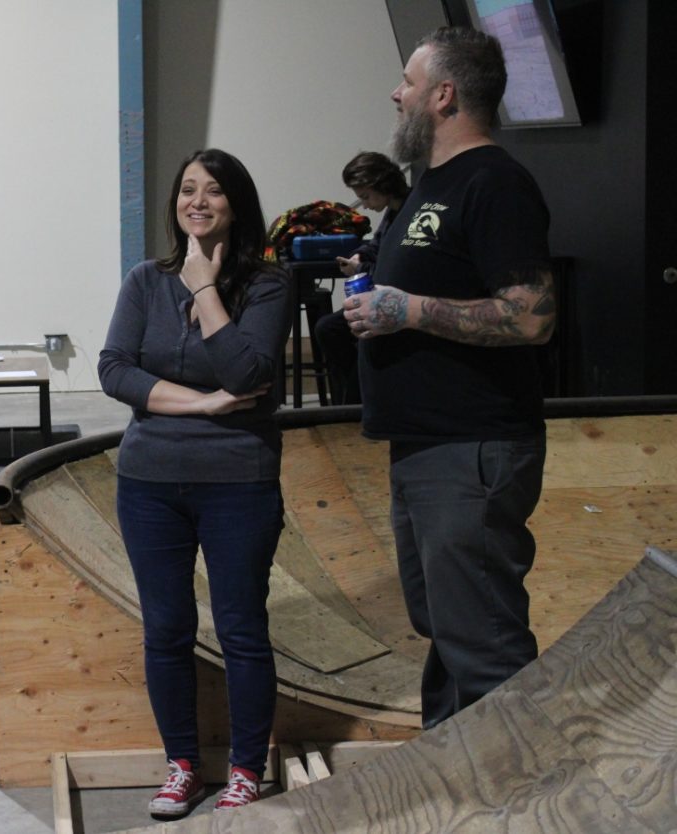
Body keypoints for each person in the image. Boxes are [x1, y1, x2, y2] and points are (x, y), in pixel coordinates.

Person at [343, 27, 556, 729]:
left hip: (473, 449)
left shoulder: (495, 182)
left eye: (407, 81)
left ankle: (520, 800)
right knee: (447, 627)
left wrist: (409, 310)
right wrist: (381, 310)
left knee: (484, 643)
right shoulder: (430, 184)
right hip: (425, 445)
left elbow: (530, 319)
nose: (394, 93)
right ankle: (450, 775)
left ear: (442, 94)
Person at [98, 148, 292, 817]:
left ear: (236, 203)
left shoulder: (267, 285)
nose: (197, 202)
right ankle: (182, 765)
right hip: (149, 481)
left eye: (212, 191)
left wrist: (205, 287)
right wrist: (202, 404)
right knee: (167, 629)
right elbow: (114, 370)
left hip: (238, 481)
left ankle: (244, 770)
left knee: (241, 629)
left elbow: (246, 373)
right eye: (187, 190)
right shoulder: (145, 281)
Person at [314, 152, 410, 405]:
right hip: (381, 293)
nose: (364, 205)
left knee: (347, 332)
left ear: (383, 186)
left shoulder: (411, 212)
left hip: (400, 300)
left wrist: (362, 266)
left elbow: (397, 265)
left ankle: (356, 401)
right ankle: (352, 399)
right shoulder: (392, 213)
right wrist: (359, 256)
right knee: (329, 328)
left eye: (366, 196)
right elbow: (377, 247)